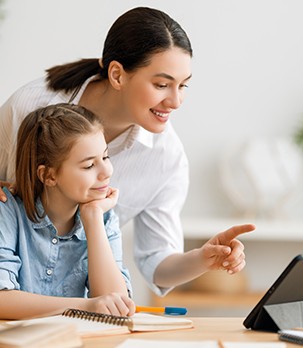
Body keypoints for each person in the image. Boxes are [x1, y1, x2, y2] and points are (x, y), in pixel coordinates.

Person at [0, 6, 255, 296]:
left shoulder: (165, 158)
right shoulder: (29, 108)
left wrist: (204, 258)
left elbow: (157, 260)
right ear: (117, 75)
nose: (175, 101)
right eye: (162, 84)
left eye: (183, 86)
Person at [0, 103, 135, 320]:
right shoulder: (7, 212)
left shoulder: (104, 217)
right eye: (89, 165)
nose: (106, 172)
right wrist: (86, 305)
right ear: (49, 176)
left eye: (106, 157)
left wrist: (92, 219)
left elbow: (115, 305)